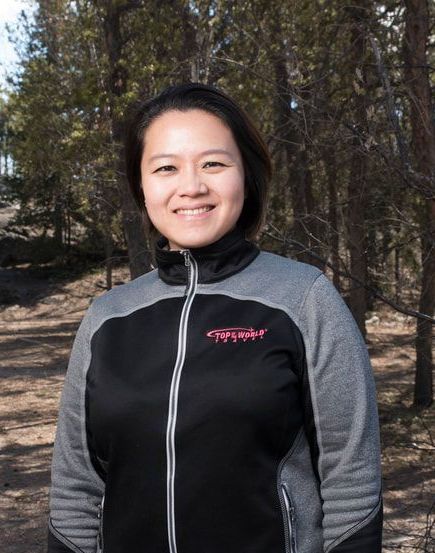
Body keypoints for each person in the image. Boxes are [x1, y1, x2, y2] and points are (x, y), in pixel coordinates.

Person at [47, 82, 383, 553]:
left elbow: (353, 480)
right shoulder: (108, 317)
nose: (192, 186)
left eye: (214, 163)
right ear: (141, 186)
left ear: (246, 174)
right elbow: (75, 489)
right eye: (166, 167)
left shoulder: (304, 299)